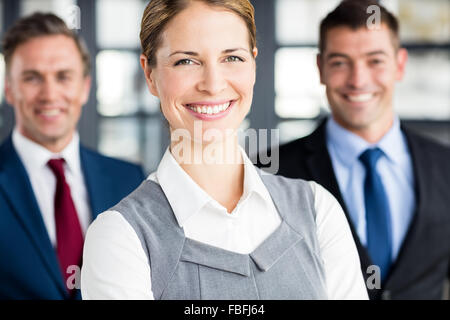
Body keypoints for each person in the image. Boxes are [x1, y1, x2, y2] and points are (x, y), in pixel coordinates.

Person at [81, 0, 368, 300]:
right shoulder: (119, 237)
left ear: (254, 64)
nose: (213, 84)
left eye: (232, 57)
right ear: (150, 74)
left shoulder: (318, 210)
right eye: (186, 61)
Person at [262, 0, 450, 299]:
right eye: (339, 62)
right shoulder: (268, 172)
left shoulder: (444, 166)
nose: (358, 80)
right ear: (320, 68)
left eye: (375, 61)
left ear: (400, 64)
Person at [0, 13, 145, 300]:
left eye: (63, 76)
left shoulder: (130, 180)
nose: (49, 94)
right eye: (32, 78)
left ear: (85, 87)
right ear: (9, 89)